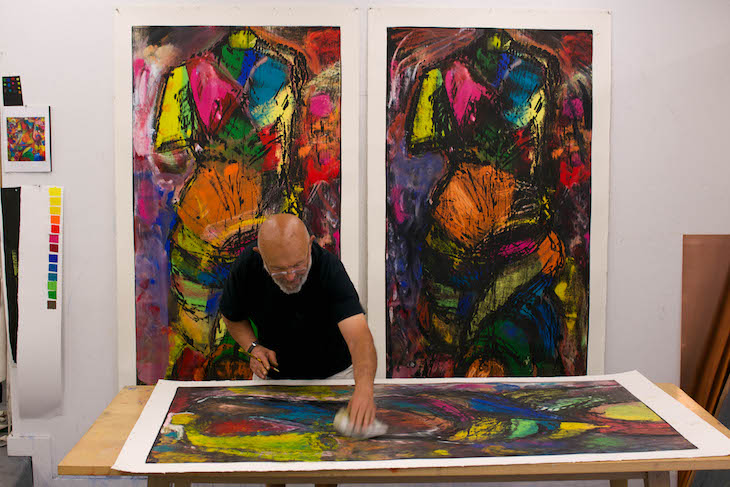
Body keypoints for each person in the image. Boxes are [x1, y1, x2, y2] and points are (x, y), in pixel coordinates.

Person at [219, 213, 377, 433]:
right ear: (260, 255)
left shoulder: (328, 268)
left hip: (335, 376)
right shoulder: (247, 267)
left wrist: (364, 390)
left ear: (310, 244)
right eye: (279, 270)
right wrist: (253, 347)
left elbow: (359, 336)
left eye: (298, 265)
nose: (291, 277)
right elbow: (232, 315)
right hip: (273, 380)